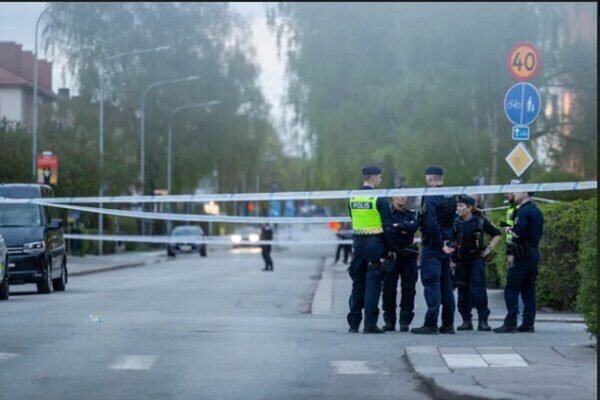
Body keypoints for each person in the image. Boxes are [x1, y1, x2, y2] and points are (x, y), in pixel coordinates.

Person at [347, 165, 395, 334]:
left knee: (358, 283)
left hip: (358, 245)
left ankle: (353, 324)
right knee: (373, 284)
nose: (381, 180)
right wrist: (391, 249)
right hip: (375, 245)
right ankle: (370, 325)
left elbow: (353, 218)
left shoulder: (353, 197)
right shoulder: (378, 197)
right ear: (374, 178)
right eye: (379, 177)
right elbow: (387, 226)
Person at [411, 165, 457, 335]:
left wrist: (439, 244)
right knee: (446, 286)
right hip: (446, 245)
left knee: (432, 284)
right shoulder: (451, 195)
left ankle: (430, 324)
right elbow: (453, 221)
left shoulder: (430, 196)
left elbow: (430, 223)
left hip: (433, 246)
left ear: (429, 178)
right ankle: (448, 324)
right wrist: (448, 242)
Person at [494, 190, 544, 333]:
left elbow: (517, 233)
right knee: (528, 290)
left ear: (525, 193)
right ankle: (528, 323)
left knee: (511, 289)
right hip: (533, 252)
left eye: (516, 191)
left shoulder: (522, 211)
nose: (513, 194)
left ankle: (510, 323)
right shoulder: (536, 211)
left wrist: (507, 229)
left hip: (521, 255)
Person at [451, 196, 501, 331]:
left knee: (479, 290)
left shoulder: (480, 221)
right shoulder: (455, 222)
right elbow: (450, 241)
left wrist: (489, 249)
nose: (458, 209)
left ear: (470, 208)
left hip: (476, 260)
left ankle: (483, 321)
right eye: (458, 206)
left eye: (461, 206)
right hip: (461, 261)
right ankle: (466, 321)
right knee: (462, 291)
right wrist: (451, 259)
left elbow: (497, 234)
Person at [382, 185, 419, 332]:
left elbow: (414, 227)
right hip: (392, 254)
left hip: (409, 254)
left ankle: (405, 321)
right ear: (393, 196)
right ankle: (389, 321)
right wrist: (403, 227)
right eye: (400, 195)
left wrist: (398, 226)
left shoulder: (411, 213)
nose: (403, 197)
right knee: (388, 289)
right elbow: (387, 229)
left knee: (409, 289)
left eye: (405, 195)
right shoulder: (386, 213)